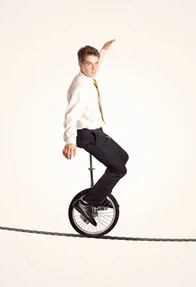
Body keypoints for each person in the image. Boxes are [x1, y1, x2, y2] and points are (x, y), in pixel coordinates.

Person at [62, 39, 129, 226]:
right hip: (87, 136)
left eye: (96, 63)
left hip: (97, 132)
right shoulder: (81, 87)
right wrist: (70, 140)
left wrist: (104, 51)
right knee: (119, 169)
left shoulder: (88, 76)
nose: (94, 68)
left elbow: (96, 61)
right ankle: (87, 203)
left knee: (123, 157)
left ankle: (98, 195)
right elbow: (71, 115)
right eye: (89, 64)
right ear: (80, 65)